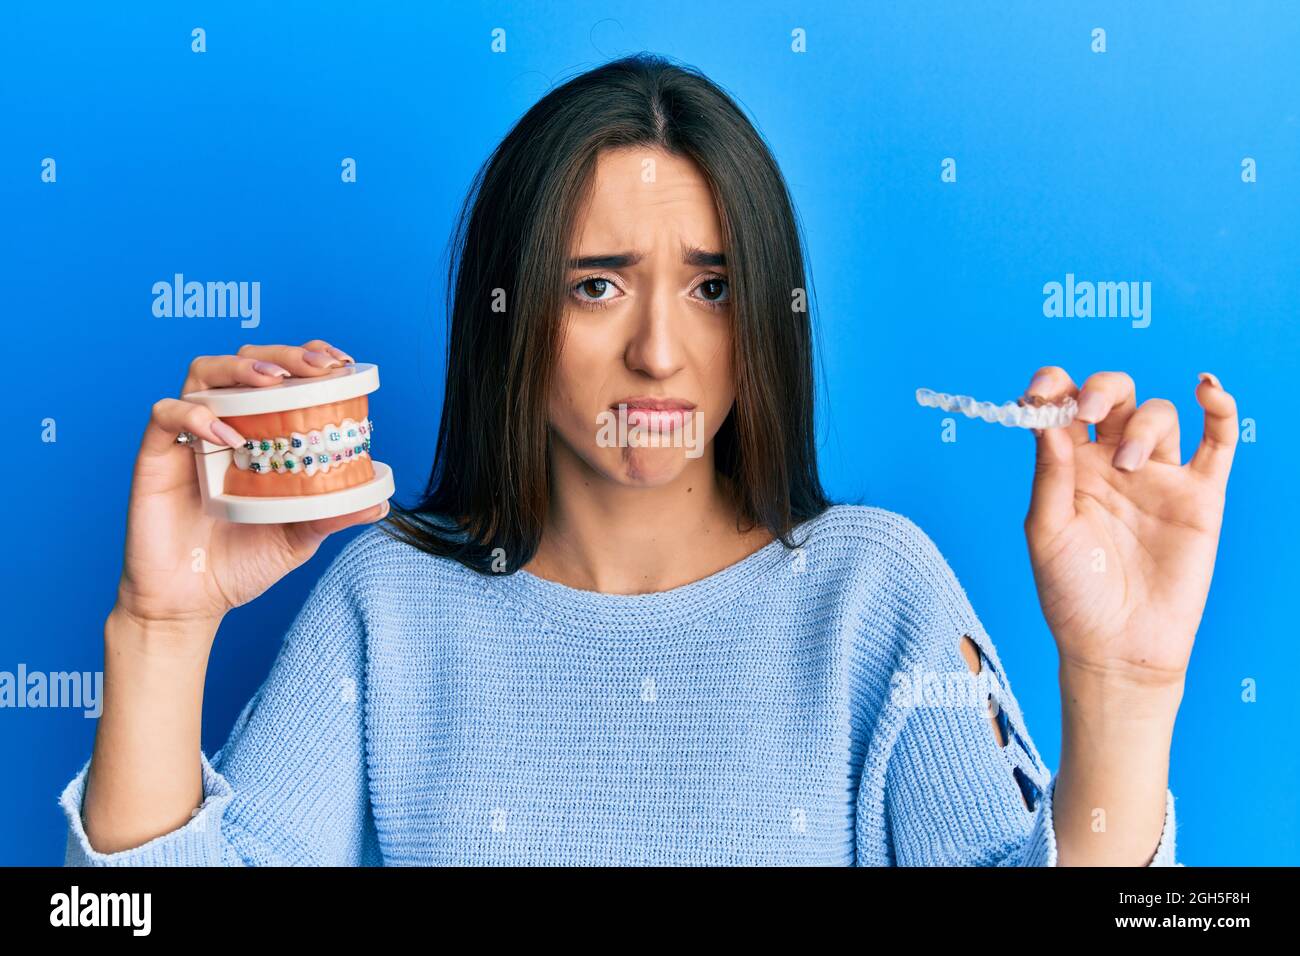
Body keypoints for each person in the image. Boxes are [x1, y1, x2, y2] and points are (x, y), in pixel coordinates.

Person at [59, 53, 1236, 866]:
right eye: (596, 283)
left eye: (713, 286)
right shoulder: (388, 602)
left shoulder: (875, 595)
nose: (661, 351)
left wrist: (1124, 695)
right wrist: (160, 630)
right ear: (511, 315)